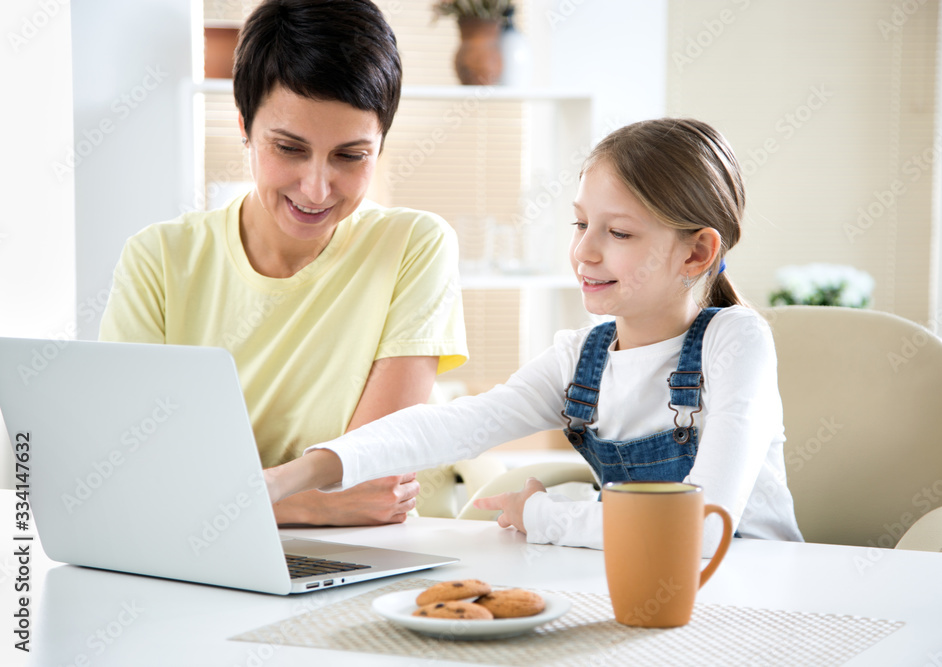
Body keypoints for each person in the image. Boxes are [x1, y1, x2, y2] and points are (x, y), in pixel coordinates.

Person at [263, 118, 804, 552]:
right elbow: (454, 425)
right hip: (649, 585)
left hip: (755, 589)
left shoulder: (735, 342)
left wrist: (544, 515)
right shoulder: (582, 358)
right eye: (580, 224)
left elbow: (702, 528)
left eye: (617, 232)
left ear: (697, 252)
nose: (584, 252)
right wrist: (289, 478)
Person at [99, 0, 468, 527]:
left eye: (350, 155)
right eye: (289, 148)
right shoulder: (158, 260)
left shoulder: (413, 246)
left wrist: (219, 494)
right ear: (245, 127)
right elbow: (134, 476)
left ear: (381, 145)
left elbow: (369, 471)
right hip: (187, 552)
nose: (316, 188)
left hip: (359, 559)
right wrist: (311, 503)